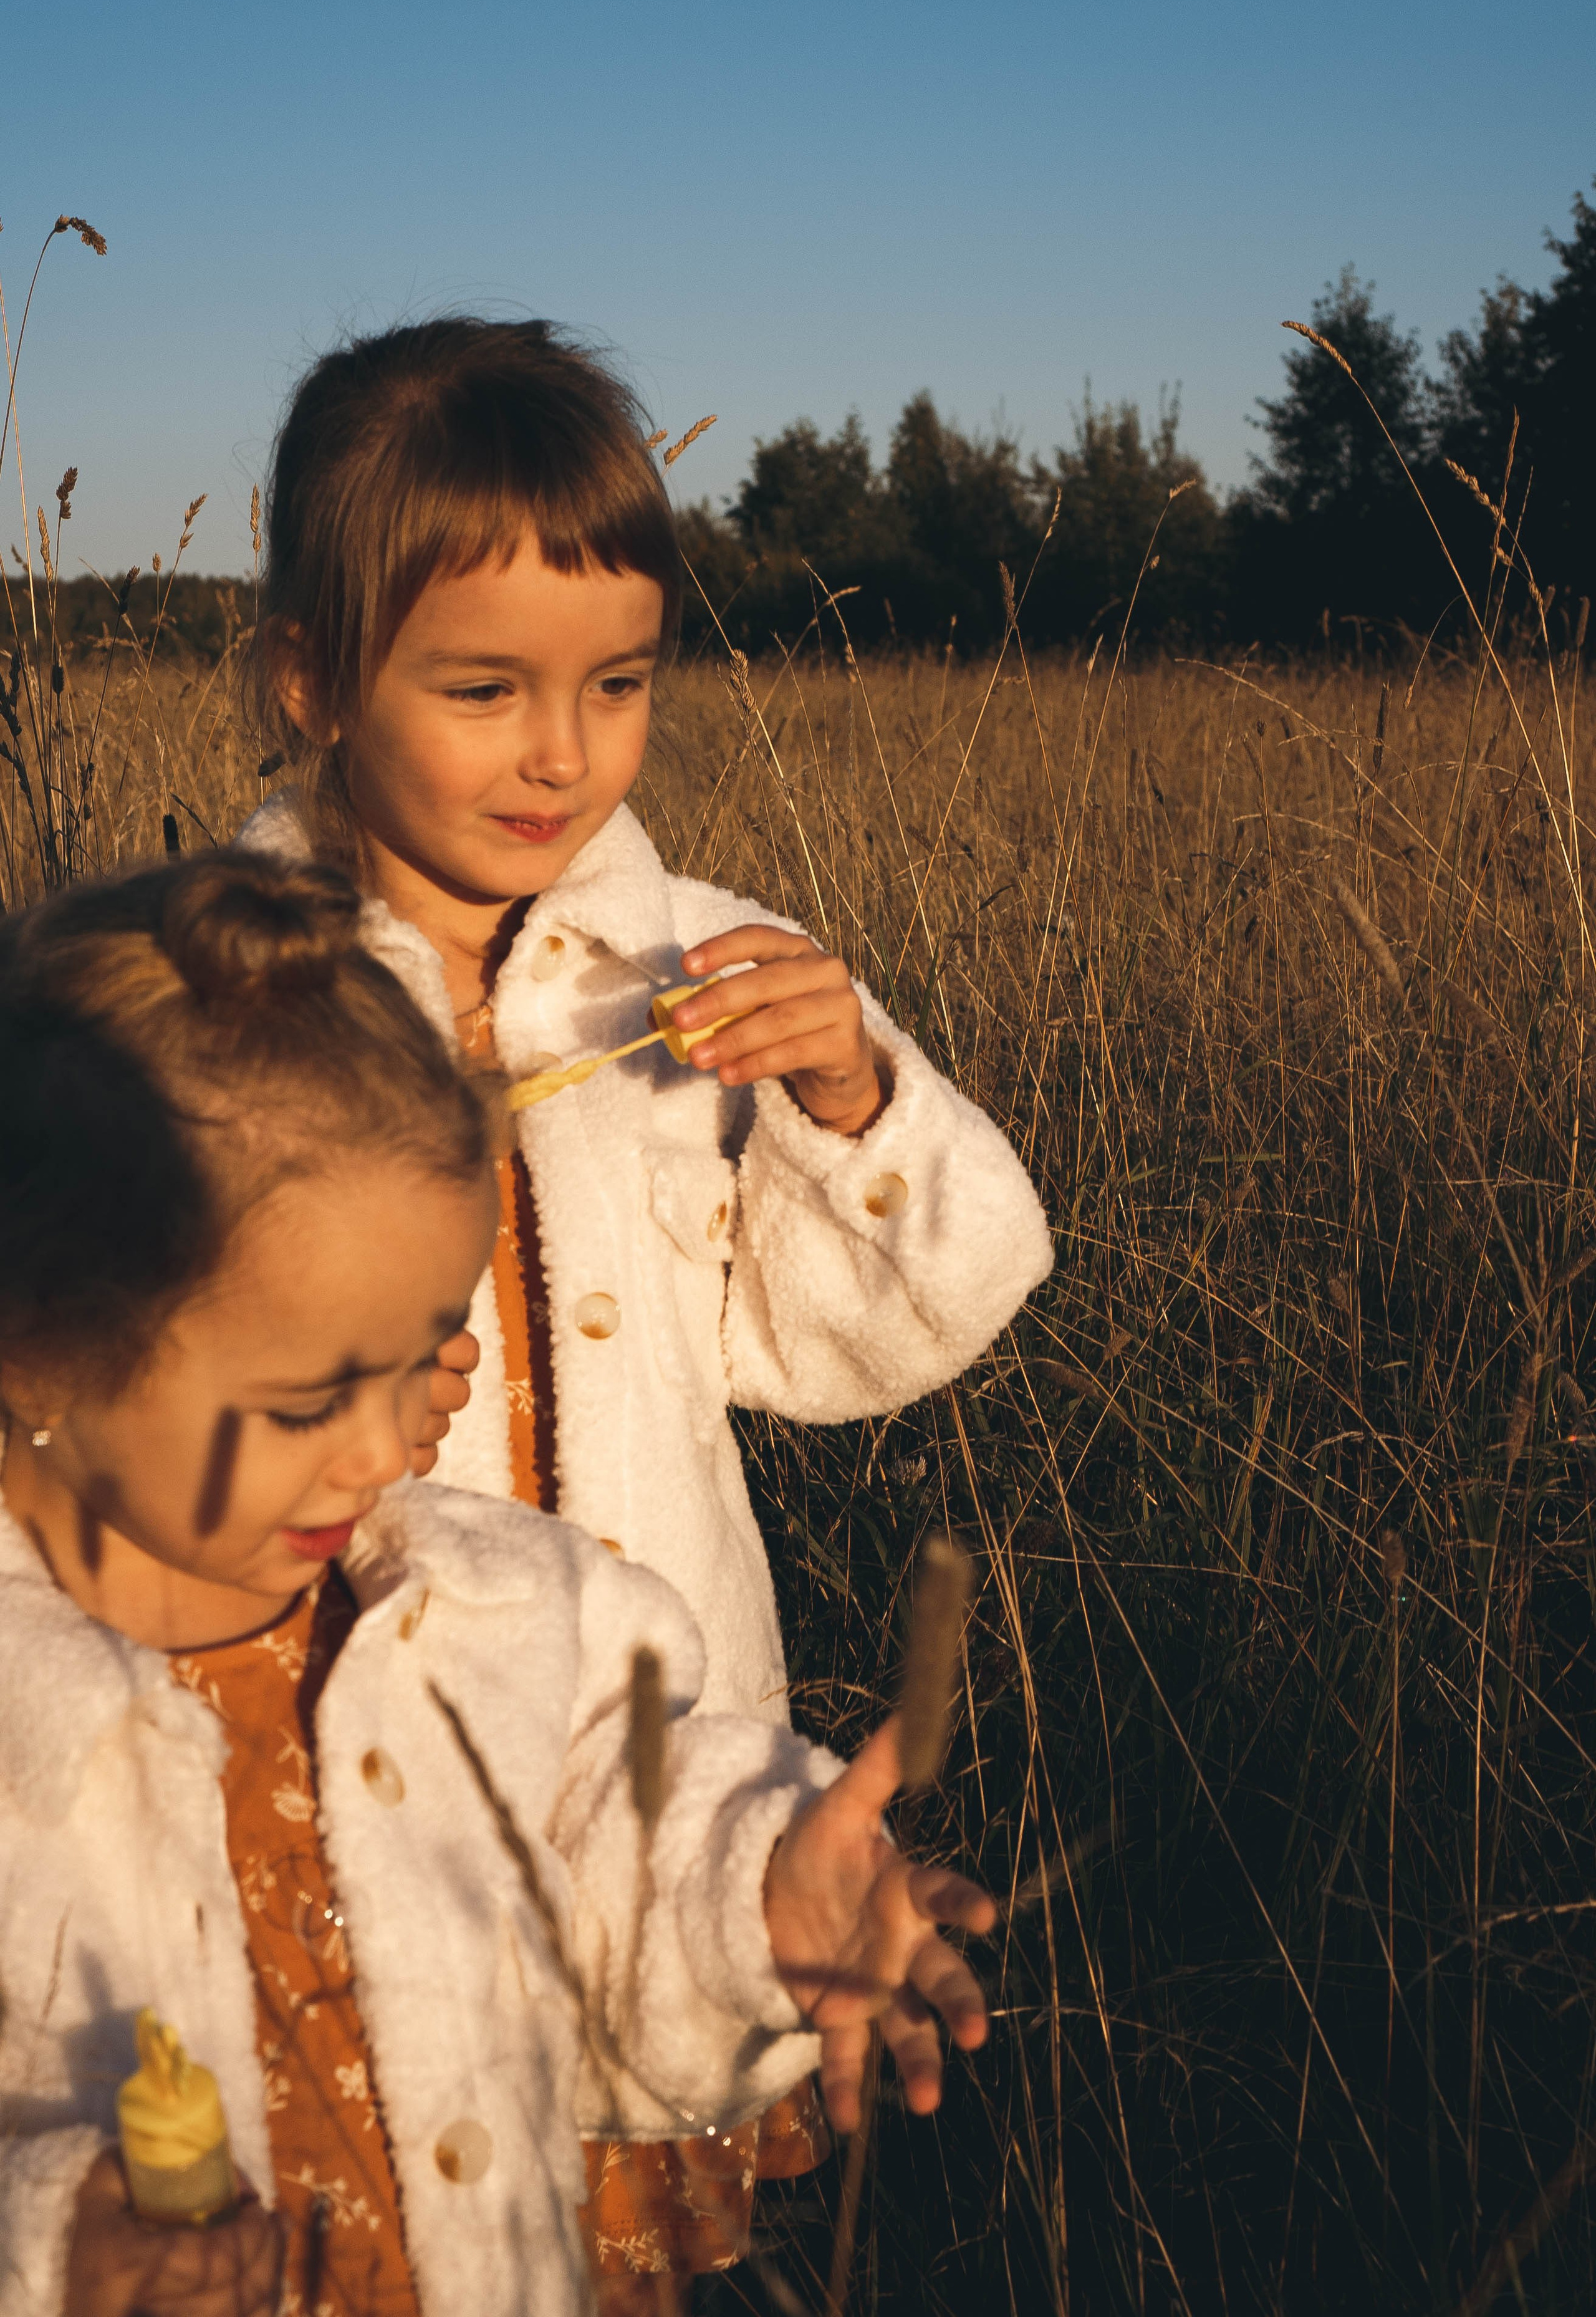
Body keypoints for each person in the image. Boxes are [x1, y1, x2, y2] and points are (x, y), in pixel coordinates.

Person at [236, 316, 1051, 2308]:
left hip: (672, 1799)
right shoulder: (215, 1007)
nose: (563, 752)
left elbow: (892, 1324)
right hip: (356, 1819)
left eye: (618, 683)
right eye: (485, 687)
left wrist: (850, 1103)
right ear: (313, 680)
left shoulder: (698, 976)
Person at [0, 852, 996, 2317]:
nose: (381, 1453)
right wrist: (43, 2247)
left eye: (421, 1360)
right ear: (42, 1352)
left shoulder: (486, 1613)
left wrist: (753, 1897)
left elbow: (609, 1871)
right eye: (307, 1402)